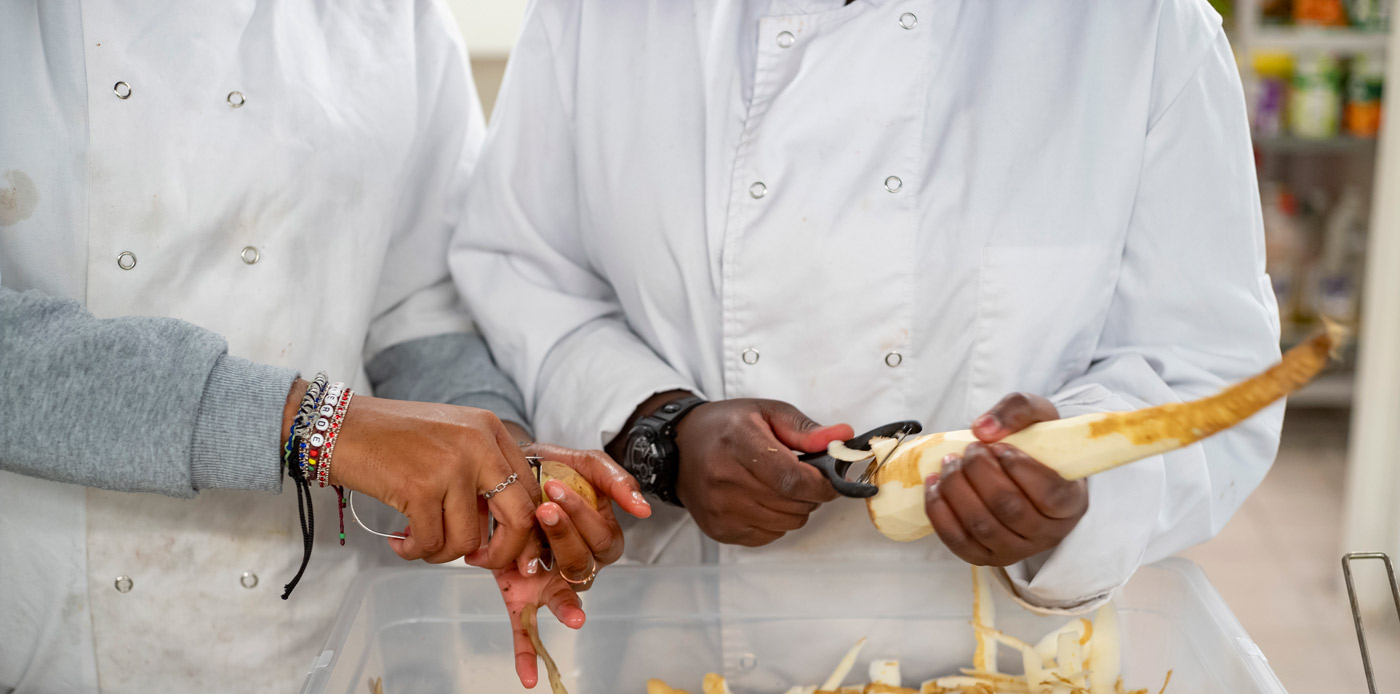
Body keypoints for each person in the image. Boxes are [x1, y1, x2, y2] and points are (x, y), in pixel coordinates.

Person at [454, 0, 1282, 612]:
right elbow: (523, 271)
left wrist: (1077, 491)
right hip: (677, 664)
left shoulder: (1138, 32)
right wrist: (662, 431)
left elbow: (1209, 371)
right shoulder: (597, 21)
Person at [0, 1, 645, 694]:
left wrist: (505, 477)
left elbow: (415, 307)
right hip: (36, 666)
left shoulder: (398, 19)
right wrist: (315, 424)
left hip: (334, 666)